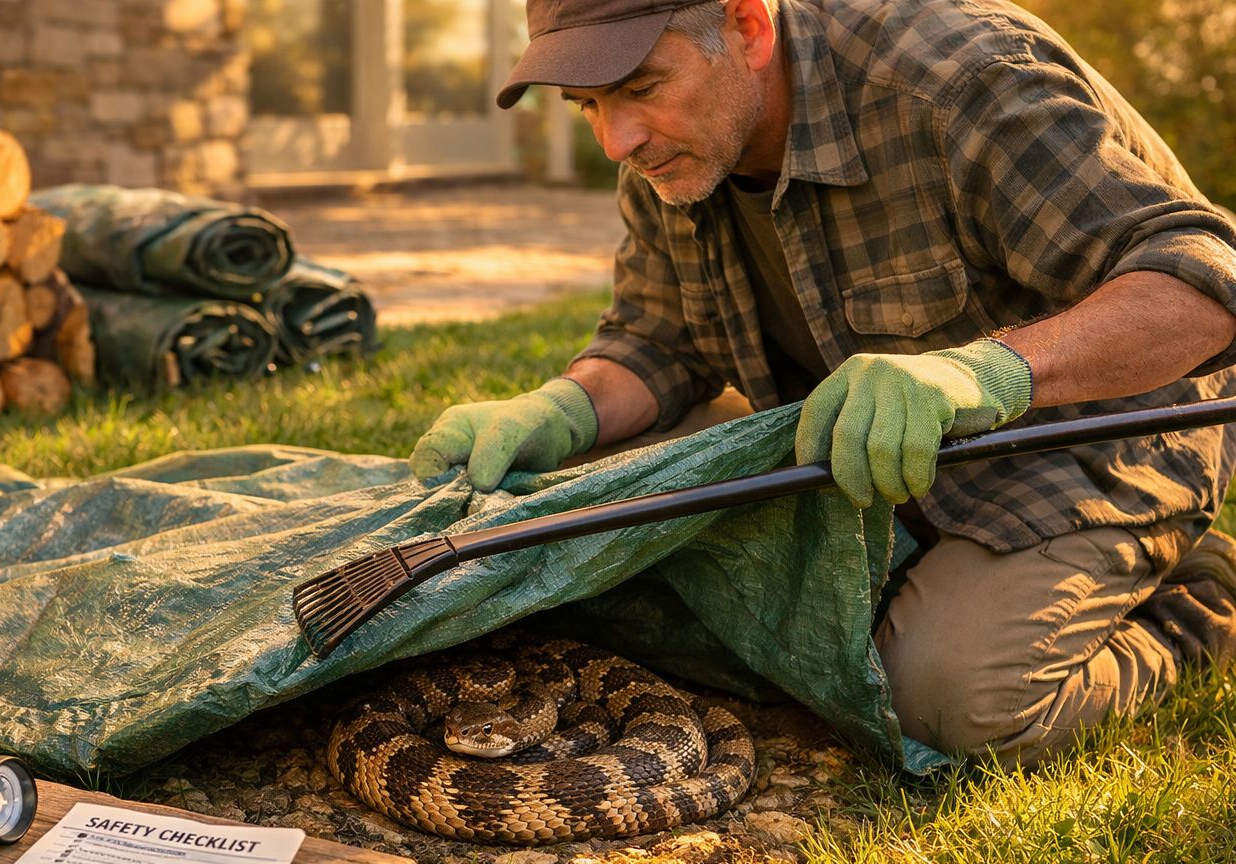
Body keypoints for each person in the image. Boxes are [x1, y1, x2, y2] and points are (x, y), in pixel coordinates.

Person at [407, 0, 1236, 767]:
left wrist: (981, 372)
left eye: (641, 87)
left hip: (1091, 442)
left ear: (747, 25)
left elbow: (1203, 285)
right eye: (586, 106)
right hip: (855, 441)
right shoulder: (672, 148)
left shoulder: (966, 80)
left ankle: (1196, 601)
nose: (616, 140)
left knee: (946, 699)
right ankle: (927, 568)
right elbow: (656, 341)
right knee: (570, 516)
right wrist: (561, 408)